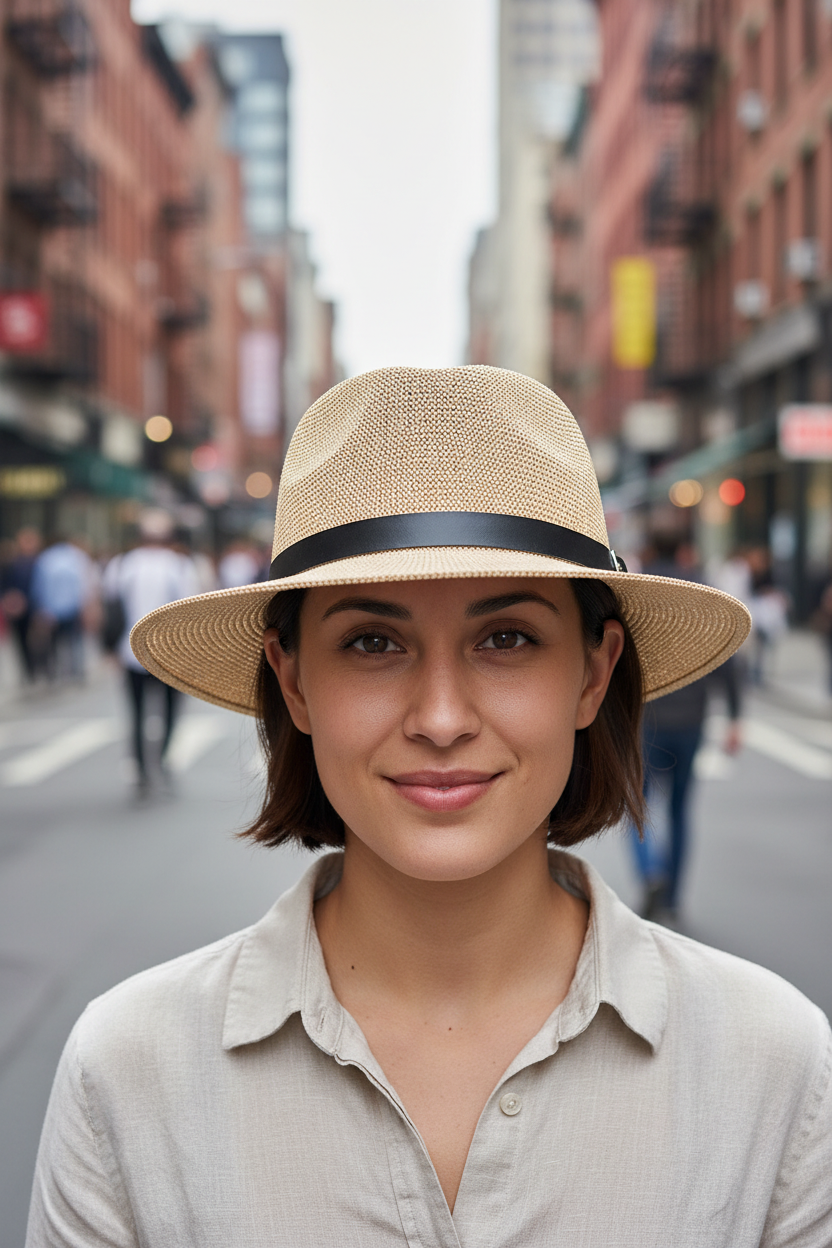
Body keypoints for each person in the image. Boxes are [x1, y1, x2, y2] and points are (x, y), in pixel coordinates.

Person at [27, 368, 831, 1245]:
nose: (441, 719)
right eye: (373, 642)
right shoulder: (128, 1075)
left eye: (508, 638)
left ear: (594, 674)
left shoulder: (776, 1069)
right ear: (293, 680)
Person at [630, 534, 743, 921]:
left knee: (639, 806)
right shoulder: (696, 596)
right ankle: (674, 896)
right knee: (680, 809)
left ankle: (649, 872)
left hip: (646, 721)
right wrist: (735, 717)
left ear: (647, 551)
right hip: (692, 720)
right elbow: (727, 662)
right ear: (682, 551)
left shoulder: (637, 597)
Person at [102, 510, 199, 797]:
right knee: (169, 710)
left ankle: (144, 768)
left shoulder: (122, 565)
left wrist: (109, 648)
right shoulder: (179, 565)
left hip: (130, 650)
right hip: (168, 653)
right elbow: (189, 611)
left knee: (136, 713)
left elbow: (109, 607)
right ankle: (162, 759)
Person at [29, 535, 97, 681]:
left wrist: (41, 608)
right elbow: (86, 585)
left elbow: (39, 587)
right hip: (74, 607)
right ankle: (76, 671)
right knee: (74, 640)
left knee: (55, 642)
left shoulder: (46, 558)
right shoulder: (77, 557)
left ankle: (57, 672)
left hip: (51, 609)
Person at [0, 526, 42, 681]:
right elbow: (6, 585)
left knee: (40, 640)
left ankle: (41, 667)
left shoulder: (41, 562)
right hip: (17, 608)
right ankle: (28, 671)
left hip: (36, 607)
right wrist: (10, 599)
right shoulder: (12, 562)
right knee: (21, 641)